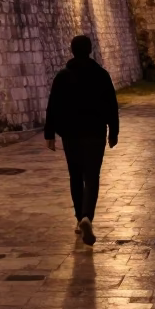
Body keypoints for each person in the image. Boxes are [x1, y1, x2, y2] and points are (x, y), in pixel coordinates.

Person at [44, 34, 119, 246]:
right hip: (95, 133)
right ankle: (87, 216)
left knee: (75, 176)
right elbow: (111, 105)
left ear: (72, 51)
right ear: (90, 50)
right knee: (92, 176)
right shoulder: (101, 75)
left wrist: (49, 134)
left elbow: (54, 106)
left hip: (71, 134)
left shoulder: (63, 76)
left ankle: (79, 219)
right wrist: (113, 132)